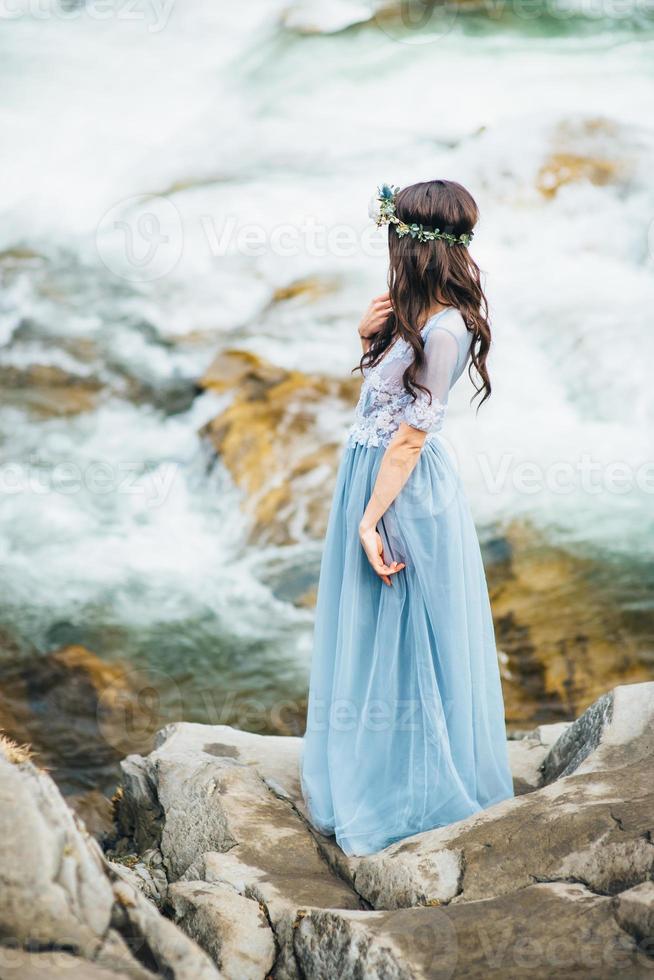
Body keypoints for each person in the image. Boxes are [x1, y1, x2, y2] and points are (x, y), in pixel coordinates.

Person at [300, 179, 515, 857]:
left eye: (395, 238)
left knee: (405, 636)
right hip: (373, 480)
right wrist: (370, 335)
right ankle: (371, 766)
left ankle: (412, 788)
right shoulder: (412, 315)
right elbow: (381, 404)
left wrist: (370, 521)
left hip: (403, 494)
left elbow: (412, 437)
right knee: (370, 630)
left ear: (414, 247)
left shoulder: (446, 330)